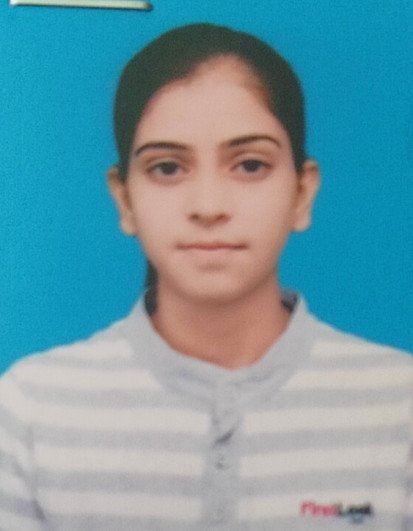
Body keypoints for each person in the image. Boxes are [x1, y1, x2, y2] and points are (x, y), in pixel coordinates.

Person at [0, 22, 412, 530]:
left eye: (250, 165)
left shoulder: (399, 405)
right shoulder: (32, 410)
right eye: (167, 168)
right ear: (125, 199)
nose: (209, 206)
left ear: (302, 194)